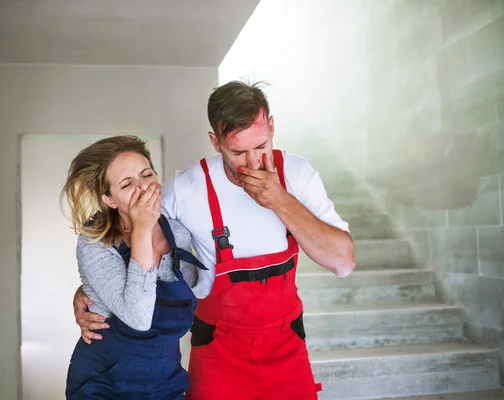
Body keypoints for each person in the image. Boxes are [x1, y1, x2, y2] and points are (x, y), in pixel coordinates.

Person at [74, 81, 356, 400]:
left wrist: (280, 200)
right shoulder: (185, 189)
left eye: (261, 146)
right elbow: (129, 230)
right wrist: (91, 290)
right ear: (215, 141)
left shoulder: (298, 175)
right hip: (218, 357)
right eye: (237, 152)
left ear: (273, 127)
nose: (252, 162)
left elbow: (344, 263)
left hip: (287, 350)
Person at [62, 135, 205, 400]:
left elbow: (201, 291)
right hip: (105, 383)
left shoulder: (178, 233)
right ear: (110, 200)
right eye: (127, 184)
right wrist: (142, 229)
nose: (142, 188)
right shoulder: (94, 243)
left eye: (147, 174)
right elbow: (139, 318)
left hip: (166, 380)